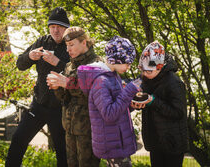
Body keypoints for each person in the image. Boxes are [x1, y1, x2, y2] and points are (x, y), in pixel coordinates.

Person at [5, 7, 70, 167]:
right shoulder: (42, 41)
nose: (56, 30)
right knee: (18, 139)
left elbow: (79, 76)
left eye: (59, 27)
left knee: (63, 152)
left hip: (60, 109)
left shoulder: (71, 45)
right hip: (38, 106)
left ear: (66, 28)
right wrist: (29, 56)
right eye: (52, 26)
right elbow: (20, 64)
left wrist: (58, 63)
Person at [77, 36, 141, 167]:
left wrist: (131, 104)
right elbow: (109, 114)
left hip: (117, 144)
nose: (129, 67)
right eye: (127, 63)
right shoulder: (101, 82)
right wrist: (129, 91)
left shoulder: (113, 76)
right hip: (113, 147)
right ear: (116, 59)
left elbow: (117, 105)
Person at [46, 26, 102, 167]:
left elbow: (94, 93)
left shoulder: (96, 63)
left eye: (71, 45)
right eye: (66, 45)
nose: (68, 49)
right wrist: (57, 87)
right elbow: (65, 99)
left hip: (89, 130)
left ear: (84, 43)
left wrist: (68, 83)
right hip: (70, 128)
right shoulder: (70, 66)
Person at [131, 41, 188, 167]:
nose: (145, 74)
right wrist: (139, 104)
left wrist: (153, 101)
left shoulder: (174, 83)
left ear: (160, 67)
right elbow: (146, 100)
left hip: (172, 143)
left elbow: (179, 113)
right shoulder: (147, 77)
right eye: (143, 70)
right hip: (155, 140)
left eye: (148, 72)